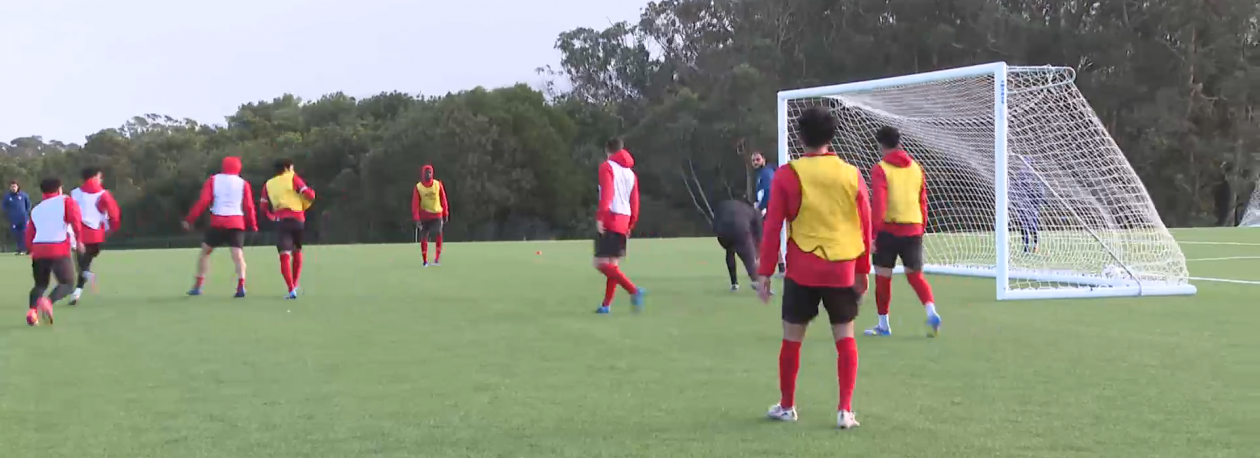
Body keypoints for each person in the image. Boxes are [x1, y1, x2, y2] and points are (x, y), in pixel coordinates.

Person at [756, 107, 872, 429]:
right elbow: (865, 225)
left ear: (799, 137)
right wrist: (863, 269)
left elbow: (773, 226)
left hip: (802, 270)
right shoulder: (851, 174)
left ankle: (787, 406)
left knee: (792, 339)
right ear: (831, 137)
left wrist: (765, 271)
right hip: (841, 268)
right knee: (844, 337)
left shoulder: (787, 174)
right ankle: (845, 410)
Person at [864, 126, 941, 338]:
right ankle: (931, 311)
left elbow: (879, 203)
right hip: (913, 228)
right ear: (899, 143)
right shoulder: (916, 168)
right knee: (915, 276)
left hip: (888, 230)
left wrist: (873, 235)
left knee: (883, 278)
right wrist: (921, 227)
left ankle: (884, 325)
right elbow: (923, 201)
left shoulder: (880, 168)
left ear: (880, 145)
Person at [183, 157, 258, 297]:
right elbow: (249, 206)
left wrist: (190, 219)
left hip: (218, 222)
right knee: (238, 256)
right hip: (236, 222)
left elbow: (203, 201)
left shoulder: (213, 180)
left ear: (223, 166)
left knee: (205, 253)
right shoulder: (243, 183)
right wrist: (253, 225)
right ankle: (241, 286)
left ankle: (198, 286)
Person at [593, 138, 646, 314]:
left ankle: (633, 290)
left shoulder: (607, 167)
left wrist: (600, 217)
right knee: (613, 266)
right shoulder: (631, 173)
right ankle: (606, 305)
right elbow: (635, 201)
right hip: (624, 219)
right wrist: (631, 224)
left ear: (607, 150)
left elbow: (607, 194)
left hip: (611, 217)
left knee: (599, 263)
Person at [24, 178, 86, 326]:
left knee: (40, 284)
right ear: (59, 189)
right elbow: (75, 220)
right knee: (68, 283)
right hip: (58, 247)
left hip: (38, 249)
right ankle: (48, 301)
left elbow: (29, 232)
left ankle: (32, 312)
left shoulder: (36, 209)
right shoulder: (66, 201)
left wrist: (31, 249)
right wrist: (79, 240)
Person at [260, 158, 315, 299]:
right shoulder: (293, 178)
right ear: (286, 168)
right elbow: (309, 195)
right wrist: (310, 196)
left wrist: (271, 216)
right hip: (298, 219)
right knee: (297, 251)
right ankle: (295, 283)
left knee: (284, 255)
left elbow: (263, 206)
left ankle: (291, 290)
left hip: (281, 220)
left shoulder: (268, 184)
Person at [68, 167, 121, 305]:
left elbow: (68, 212)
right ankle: (78, 290)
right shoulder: (103, 194)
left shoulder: (74, 193)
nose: (101, 179)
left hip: (77, 234)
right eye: (99, 176)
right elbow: (114, 213)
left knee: (81, 264)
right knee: (86, 262)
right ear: (95, 177)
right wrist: (113, 228)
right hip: (95, 234)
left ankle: (79, 288)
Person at [712, 199, 761, 291]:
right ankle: (755, 281)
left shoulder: (726, 205)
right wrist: (757, 252)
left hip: (722, 232)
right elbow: (758, 233)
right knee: (748, 256)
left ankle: (734, 283)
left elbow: (715, 221)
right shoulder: (753, 211)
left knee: (730, 250)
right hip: (740, 228)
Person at [752, 152, 786, 276]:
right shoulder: (762, 174)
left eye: (757, 159)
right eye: (753, 160)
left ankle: (761, 268)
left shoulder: (766, 173)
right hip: (767, 209)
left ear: (763, 159)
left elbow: (768, 191)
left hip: (768, 210)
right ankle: (781, 267)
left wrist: (761, 207)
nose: (755, 162)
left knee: (761, 239)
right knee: (770, 239)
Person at [411, 164, 449, 267]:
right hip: (424, 216)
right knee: (424, 237)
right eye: (426, 172)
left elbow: (443, 199)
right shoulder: (418, 187)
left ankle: (437, 258)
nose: (428, 174)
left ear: (432, 173)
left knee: (438, 233)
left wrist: (445, 213)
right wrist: (416, 218)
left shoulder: (437, 185)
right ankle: (425, 261)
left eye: (430, 172)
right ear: (422, 174)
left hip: (437, 214)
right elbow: (415, 204)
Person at [1013, 160, 1044, 253]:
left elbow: (1040, 191)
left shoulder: (1035, 176)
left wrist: (1038, 203)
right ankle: (1026, 247)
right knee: (1024, 226)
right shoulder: (1020, 175)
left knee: (1032, 226)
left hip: (1032, 205)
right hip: (1023, 204)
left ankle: (1034, 244)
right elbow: (1017, 188)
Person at [4, 181, 32, 254]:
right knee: (17, 234)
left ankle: (28, 249)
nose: (13, 188)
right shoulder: (7, 197)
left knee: (25, 233)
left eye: (14, 186)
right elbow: (4, 206)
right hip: (13, 219)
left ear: (17, 187)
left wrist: (26, 213)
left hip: (23, 218)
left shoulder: (23, 195)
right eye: (12, 187)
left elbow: (28, 204)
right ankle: (20, 249)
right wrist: (9, 214)